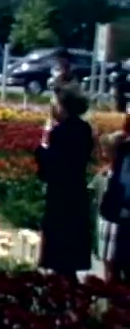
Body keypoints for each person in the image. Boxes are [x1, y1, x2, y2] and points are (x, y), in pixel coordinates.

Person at [35, 84, 93, 281]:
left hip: (61, 194)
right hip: (77, 191)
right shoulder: (84, 128)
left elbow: (50, 167)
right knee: (70, 248)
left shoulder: (61, 133)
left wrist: (44, 144)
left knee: (59, 247)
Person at [89, 131, 125, 281]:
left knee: (111, 265)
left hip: (113, 222)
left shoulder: (112, 173)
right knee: (111, 265)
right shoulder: (107, 172)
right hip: (109, 221)